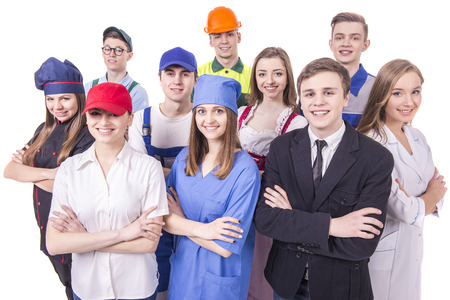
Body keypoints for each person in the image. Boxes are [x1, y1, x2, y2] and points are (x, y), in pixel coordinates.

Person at [254, 57, 394, 300]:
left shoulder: (375, 158)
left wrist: (293, 221)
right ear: (300, 100)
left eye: (328, 92)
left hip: (341, 288)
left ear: (346, 97)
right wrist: (334, 226)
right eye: (309, 94)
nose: (318, 102)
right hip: (285, 282)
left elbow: (362, 244)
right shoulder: (281, 147)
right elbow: (266, 220)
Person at [45, 82, 168, 300]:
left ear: (130, 119)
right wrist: (123, 234)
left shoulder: (149, 168)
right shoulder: (69, 170)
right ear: (86, 118)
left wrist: (85, 241)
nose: (103, 122)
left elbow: (149, 243)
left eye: (113, 114)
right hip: (88, 288)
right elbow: (55, 244)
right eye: (95, 113)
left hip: (137, 288)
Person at [163, 74, 260, 300]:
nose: (209, 119)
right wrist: (206, 230)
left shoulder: (245, 171)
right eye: (201, 111)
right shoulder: (184, 159)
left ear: (231, 116)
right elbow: (164, 218)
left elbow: (225, 246)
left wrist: (182, 223)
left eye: (218, 110)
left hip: (219, 281)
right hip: (183, 273)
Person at [3, 57, 94, 300]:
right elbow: (10, 170)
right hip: (47, 230)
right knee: (69, 289)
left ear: (79, 97)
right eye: (50, 99)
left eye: (65, 98)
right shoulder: (43, 130)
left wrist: (29, 171)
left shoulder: (88, 134)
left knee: (84, 291)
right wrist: (50, 174)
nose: (57, 106)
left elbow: (75, 188)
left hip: (75, 231)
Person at [358, 59, 446, 300]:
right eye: (398, 93)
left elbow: (438, 191)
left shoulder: (417, 136)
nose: (410, 102)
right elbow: (404, 210)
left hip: (413, 249)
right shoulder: (372, 143)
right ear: (382, 95)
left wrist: (429, 198)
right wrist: (432, 195)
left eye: (415, 91)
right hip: (382, 255)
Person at [237, 47, 308, 300]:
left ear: (287, 76)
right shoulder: (242, 114)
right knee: (239, 262)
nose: (269, 81)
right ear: (254, 78)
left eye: (277, 73)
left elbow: (292, 173)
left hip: (270, 202)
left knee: (264, 269)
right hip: (239, 200)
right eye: (262, 74)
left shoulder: (297, 122)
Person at [128, 46, 197, 300]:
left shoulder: (204, 119)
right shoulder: (139, 119)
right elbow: (137, 173)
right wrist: (190, 173)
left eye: (184, 74)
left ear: (195, 79)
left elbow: (213, 176)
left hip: (192, 217)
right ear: (159, 78)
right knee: (157, 286)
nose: (177, 80)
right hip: (151, 219)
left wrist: (155, 168)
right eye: (170, 73)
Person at [84, 26, 149, 112]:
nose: (111, 54)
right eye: (107, 49)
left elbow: (136, 124)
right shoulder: (89, 87)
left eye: (118, 50)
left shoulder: (137, 93)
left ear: (130, 56)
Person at [198, 6, 251, 107]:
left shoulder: (253, 75)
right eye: (217, 36)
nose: (224, 41)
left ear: (238, 37)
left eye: (229, 34)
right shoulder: (199, 74)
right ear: (211, 41)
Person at [329, 12, 374, 127]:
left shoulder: (377, 87)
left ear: (365, 45)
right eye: (339, 38)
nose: (346, 43)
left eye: (354, 38)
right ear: (331, 44)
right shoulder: (313, 84)